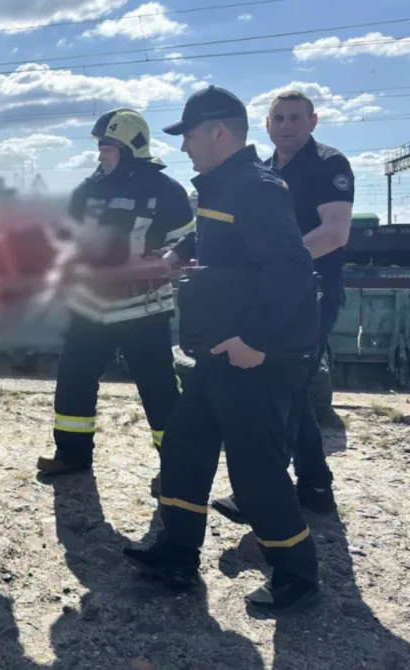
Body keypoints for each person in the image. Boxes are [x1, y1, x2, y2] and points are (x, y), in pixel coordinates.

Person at [123, 85, 322, 614]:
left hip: (255, 355)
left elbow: (292, 268)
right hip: (215, 349)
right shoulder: (220, 188)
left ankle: (297, 576)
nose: (184, 146)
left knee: (255, 470)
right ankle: (177, 554)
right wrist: (178, 251)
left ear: (217, 132)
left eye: (189, 135)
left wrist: (255, 340)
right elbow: (222, 244)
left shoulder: (255, 187)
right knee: (184, 451)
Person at [36, 109, 193, 500]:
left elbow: (188, 244)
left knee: (158, 388)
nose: (101, 153)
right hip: (89, 306)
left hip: (144, 307)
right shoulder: (87, 189)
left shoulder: (167, 190)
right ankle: (71, 454)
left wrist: (162, 259)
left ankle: (179, 468)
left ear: (130, 146)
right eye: (101, 146)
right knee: (73, 378)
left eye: (108, 146)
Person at [211, 90, 352, 524]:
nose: (286, 125)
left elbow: (334, 233)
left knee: (284, 392)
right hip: (272, 293)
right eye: (278, 118)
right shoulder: (262, 171)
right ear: (266, 124)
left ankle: (264, 500)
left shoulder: (329, 164)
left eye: (295, 117)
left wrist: (277, 265)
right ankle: (314, 487)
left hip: (314, 294)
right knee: (292, 391)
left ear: (313, 121)